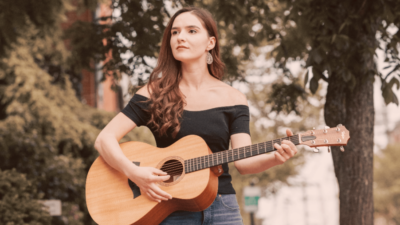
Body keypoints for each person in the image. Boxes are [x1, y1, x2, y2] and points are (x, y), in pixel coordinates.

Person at [94, 6, 298, 225]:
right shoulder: (153, 93)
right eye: (175, 32)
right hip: (170, 206)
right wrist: (134, 173)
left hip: (223, 207)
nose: (180, 37)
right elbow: (104, 139)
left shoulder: (233, 98)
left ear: (210, 43)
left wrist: (275, 158)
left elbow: (243, 162)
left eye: (191, 31)